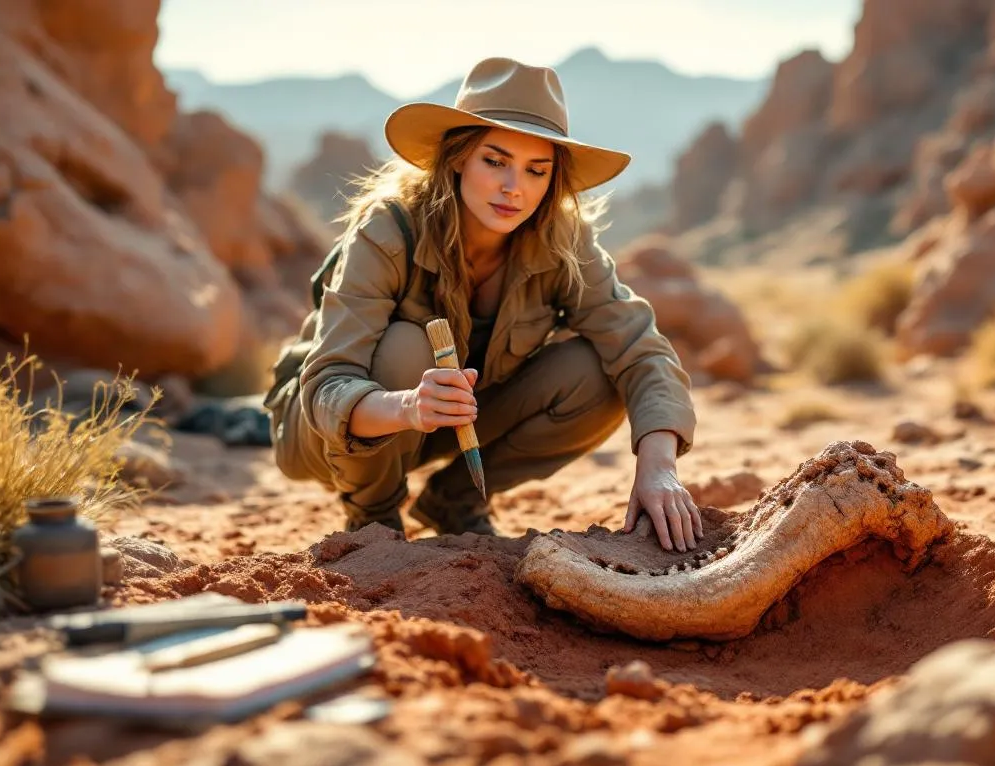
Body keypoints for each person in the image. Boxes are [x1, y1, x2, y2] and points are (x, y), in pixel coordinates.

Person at [265, 57, 703, 552]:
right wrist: (409, 405)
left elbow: (641, 349)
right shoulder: (388, 230)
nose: (514, 188)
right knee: (409, 345)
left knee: (602, 372)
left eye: (536, 171)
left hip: (450, 422)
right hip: (329, 428)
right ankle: (374, 514)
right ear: (457, 158)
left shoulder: (563, 242)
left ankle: (454, 500)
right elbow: (326, 386)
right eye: (495, 162)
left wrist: (660, 469)